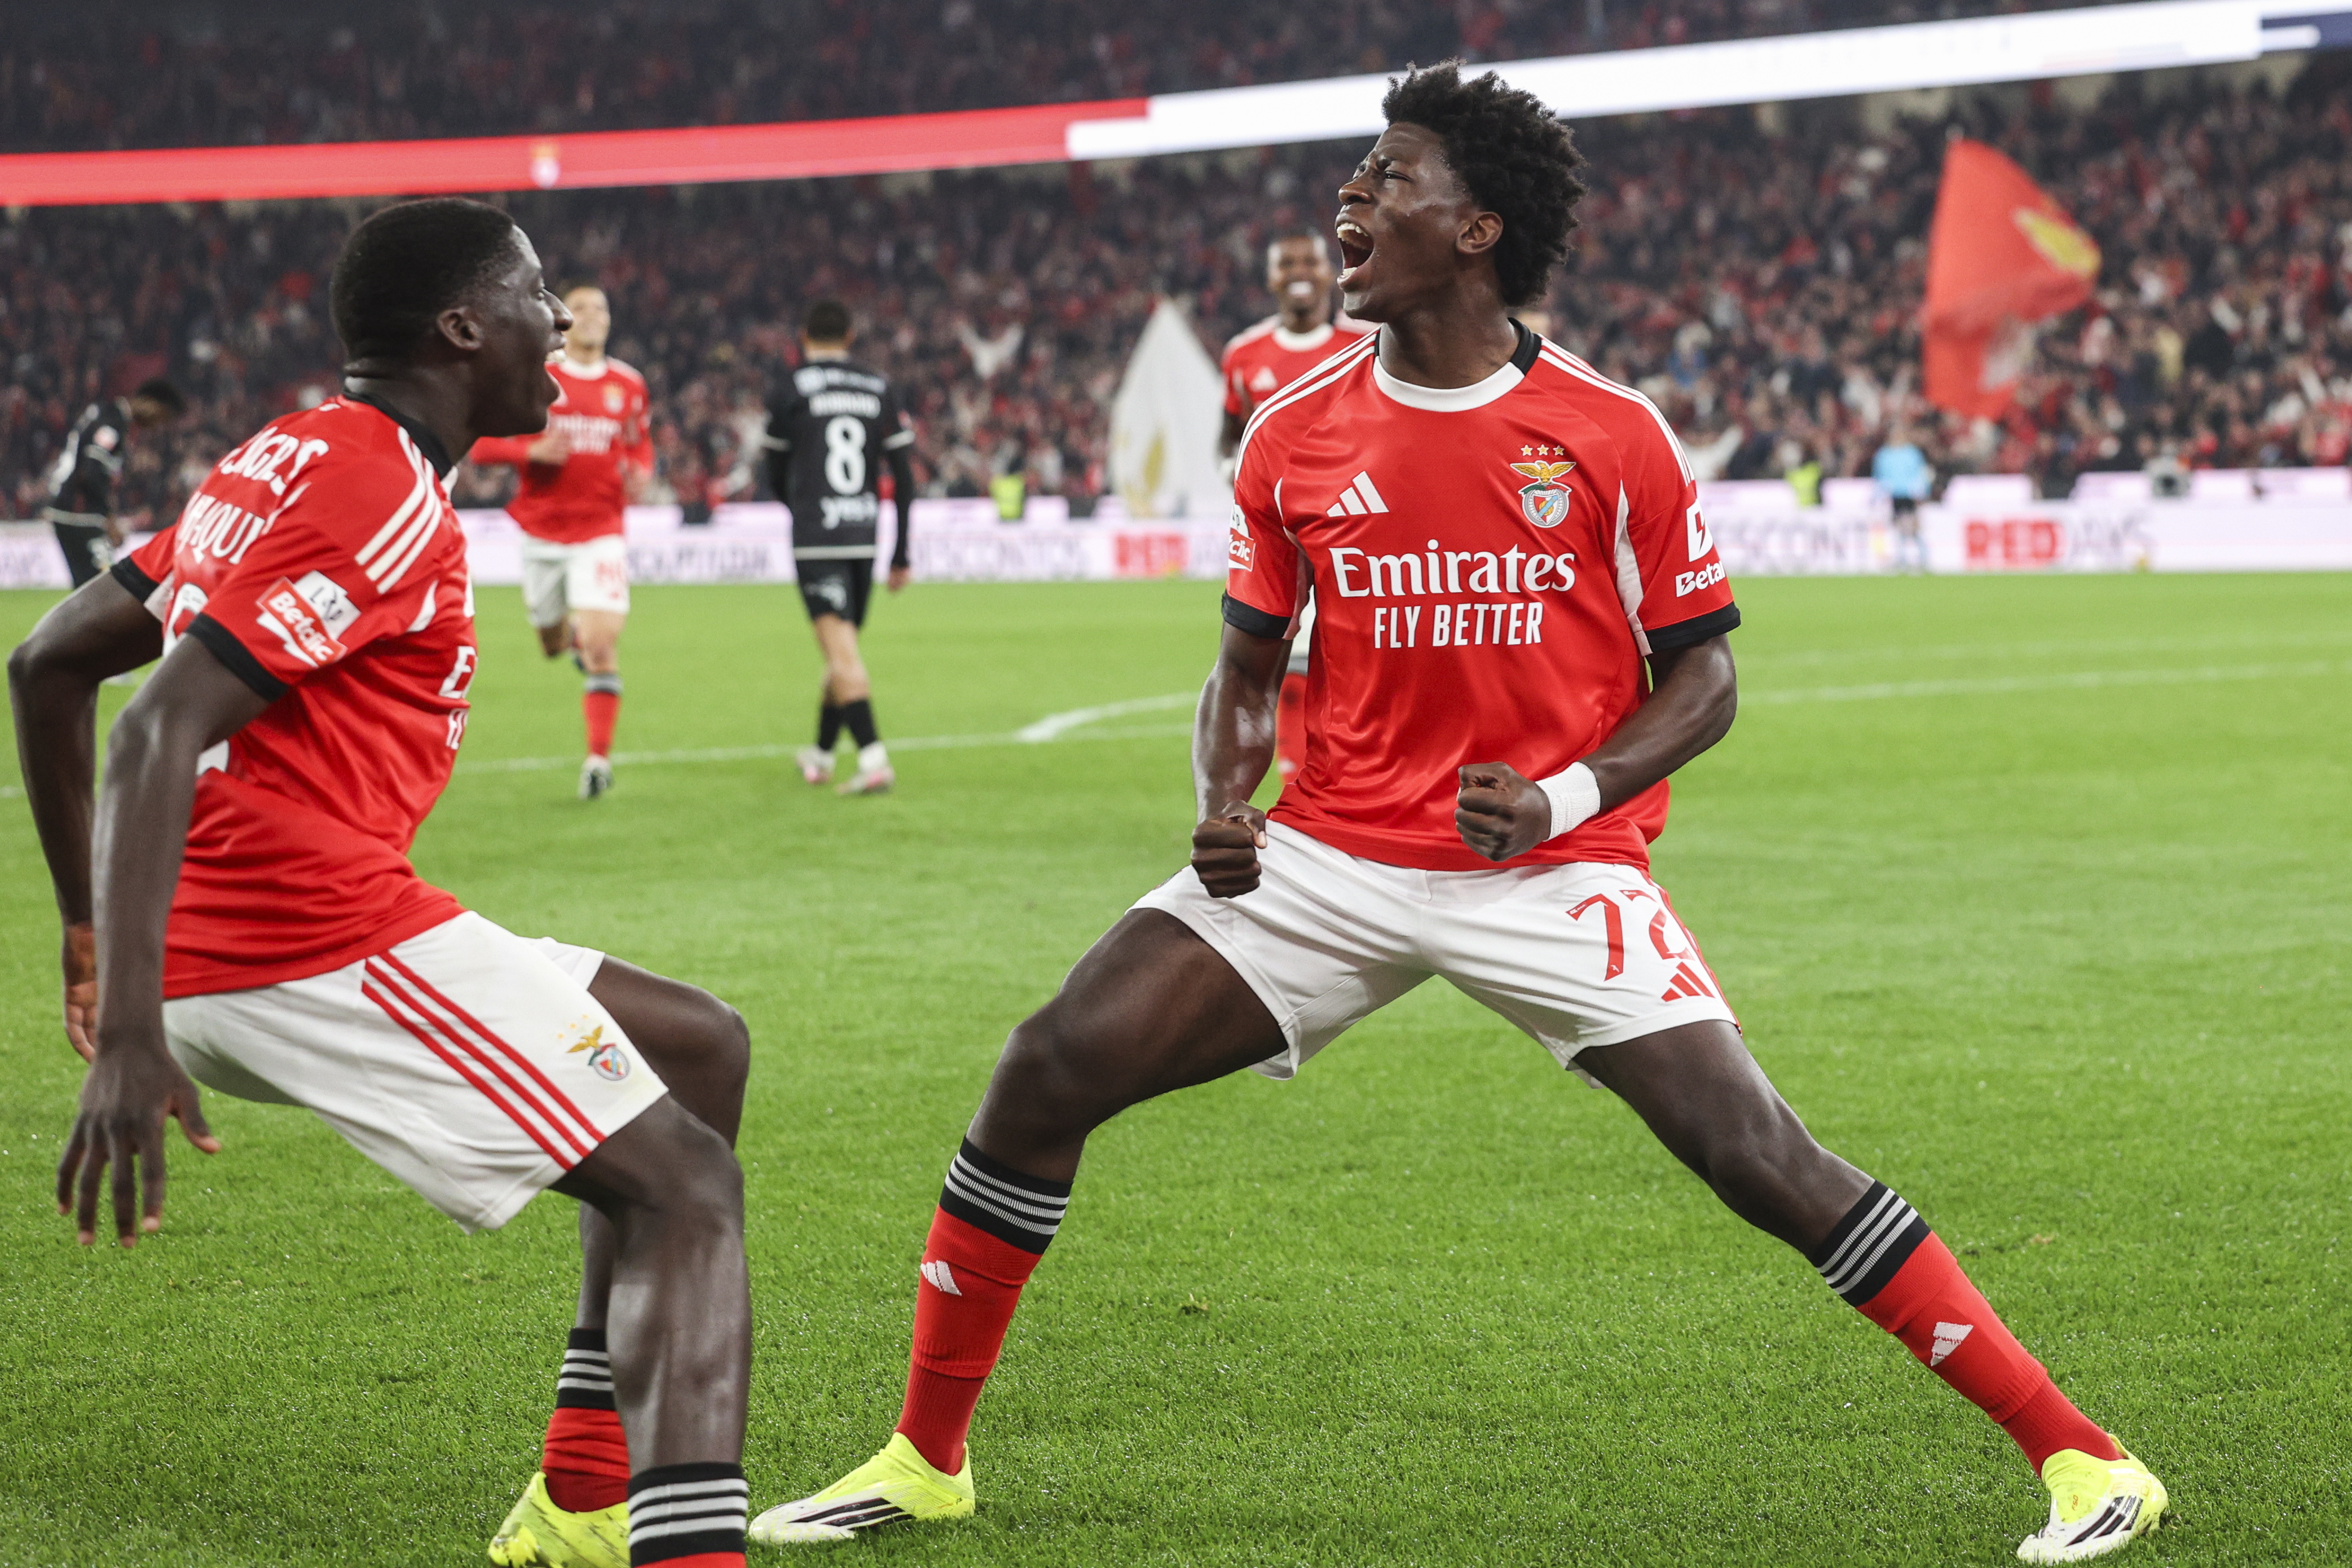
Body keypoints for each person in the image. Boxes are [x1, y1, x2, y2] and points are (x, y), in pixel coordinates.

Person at [748, 65, 2167, 1566]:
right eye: (1355, 179)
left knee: (1758, 1152)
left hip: (1550, 865)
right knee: (1047, 1066)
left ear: (1477, 226)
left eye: (1386, 177)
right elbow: (1240, 664)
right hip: (1329, 856)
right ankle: (923, 1457)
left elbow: (1708, 678)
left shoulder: (1609, 432)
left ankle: (2085, 1459)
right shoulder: (1290, 434)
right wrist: (1223, 800)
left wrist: (1567, 790)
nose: (1347, 203)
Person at [7, 199, 755, 1568]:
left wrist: (94, 937)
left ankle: (578, 1505)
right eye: (537, 297)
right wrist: (122, 1028)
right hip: (296, 938)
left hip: (232, 942)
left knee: (697, 1050)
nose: (561, 329)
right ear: (464, 327)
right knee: (687, 1191)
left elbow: (48, 661)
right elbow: (149, 724)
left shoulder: (285, 454)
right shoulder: (370, 487)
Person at [468, 284, 653, 799]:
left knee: (601, 644)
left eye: (603, 307)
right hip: (543, 533)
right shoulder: (536, 375)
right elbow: (479, 446)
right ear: (564, 319)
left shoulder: (629, 384)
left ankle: (597, 761)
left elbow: (642, 446)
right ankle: (566, 638)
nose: (594, 315)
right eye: (585, 307)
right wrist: (530, 453)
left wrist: (639, 472)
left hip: (602, 531)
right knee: (553, 645)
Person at [1218, 235, 1373, 782]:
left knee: (1359, 655)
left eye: (1309, 260)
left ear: (1328, 269)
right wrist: (1230, 472)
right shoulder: (1244, 354)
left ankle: (1356, 773)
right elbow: (1229, 436)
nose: (1299, 271)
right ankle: (1296, 780)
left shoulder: (1368, 343)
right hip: (1278, 533)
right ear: (1272, 278)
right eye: (1287, 263)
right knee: (1274, 649)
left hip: (1356, 526)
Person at [765, 299, 915, 796]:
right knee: (842, 650)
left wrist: (801, 511)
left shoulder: (791, 387)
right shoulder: (878, 387)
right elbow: (906, 477)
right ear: (851, 336)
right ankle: (823, 755)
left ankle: (874, 761)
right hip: (863, 538)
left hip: (818, 538)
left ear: (803, 336)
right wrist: (901, 553)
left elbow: (774, 470)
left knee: (843, 655)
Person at [42, 377, 187, 588]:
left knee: (89, 588)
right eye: (161, 416)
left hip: (72, 510)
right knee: (102, 588)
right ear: (149, 402)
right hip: (80, 514)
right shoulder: (112, 424)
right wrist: (109, 520)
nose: (157, 425)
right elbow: (92, 472)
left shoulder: (106, 414)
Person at [1874, 425, 1935, 574]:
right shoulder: (1884, 455)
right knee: (1899, 528)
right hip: (1894, 495)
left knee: (1912, 528)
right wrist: (1879, 494)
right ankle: (1902, 558)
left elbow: (1921, 473)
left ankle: (1923, 557)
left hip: (1909, 495)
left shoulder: (1912, 453)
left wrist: (1922, 491)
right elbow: (1880, 476)